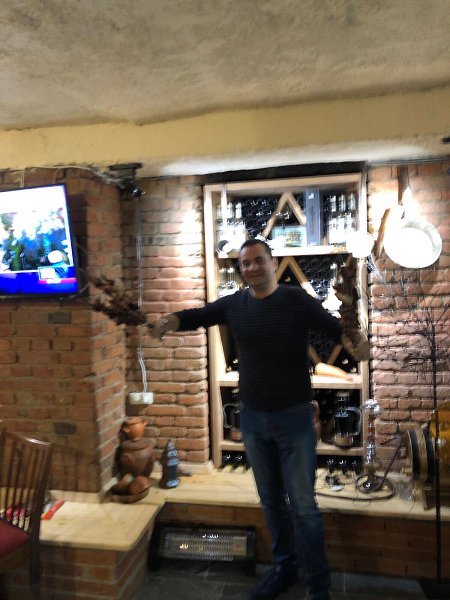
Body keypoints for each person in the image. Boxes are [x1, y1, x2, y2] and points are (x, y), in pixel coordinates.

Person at [151, 238, 366, 600]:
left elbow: (338, 332)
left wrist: (358, 343)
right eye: (245, 264)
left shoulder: (296, 300)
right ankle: (284, 569)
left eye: (257, 261)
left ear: (272, 262)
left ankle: (319, 586)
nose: (251, 267)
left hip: (295, 419)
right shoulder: (235, 304)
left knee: (304, 506)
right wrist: (168, 321)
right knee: (271, 502)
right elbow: (199, 315)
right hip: (252, 419)